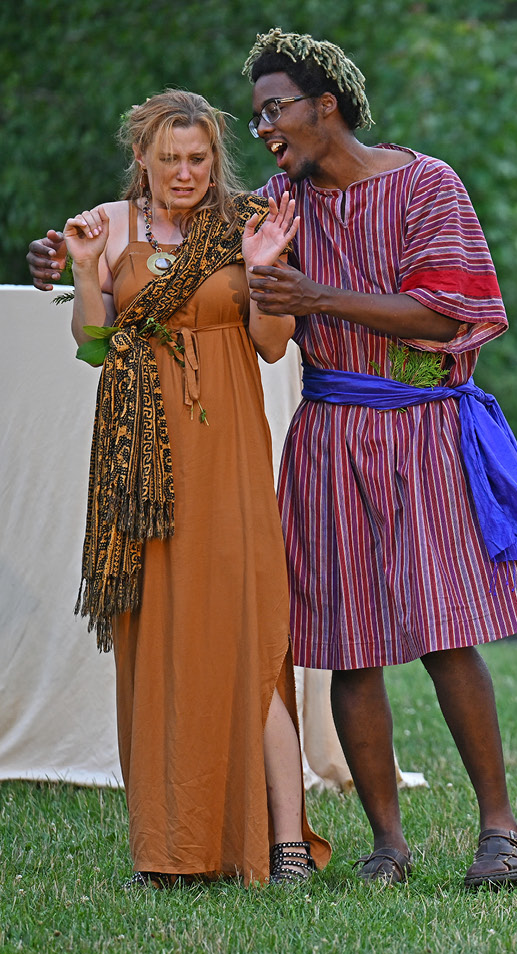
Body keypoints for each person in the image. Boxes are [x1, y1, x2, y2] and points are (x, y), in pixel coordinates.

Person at [31, 29, 517, 889]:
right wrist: (58, 263)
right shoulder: (275, 207)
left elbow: (453, 317)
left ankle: (501, 831)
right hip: (328, 433)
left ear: (326, 104)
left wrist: (318, 295)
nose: (264, 130)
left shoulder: (426, 183)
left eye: (274, 111)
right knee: (347, 643)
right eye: (255, 118)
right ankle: (386, 846)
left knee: (443, 633)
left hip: (421, 426)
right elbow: (175, 235)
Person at [53, 89, 329, 885]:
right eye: (169, 158)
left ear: (216, 160)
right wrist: (81, 268)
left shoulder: (247, 225)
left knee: (247, 636)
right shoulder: (110, 227)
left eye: (198, 158)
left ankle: (280, 844)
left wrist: (266, 270)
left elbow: (274, 347)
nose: (184, 172)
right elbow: (94, 346)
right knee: (164, 645)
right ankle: (173, 845)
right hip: (142, 466)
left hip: (230, 454)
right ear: (142, 157)